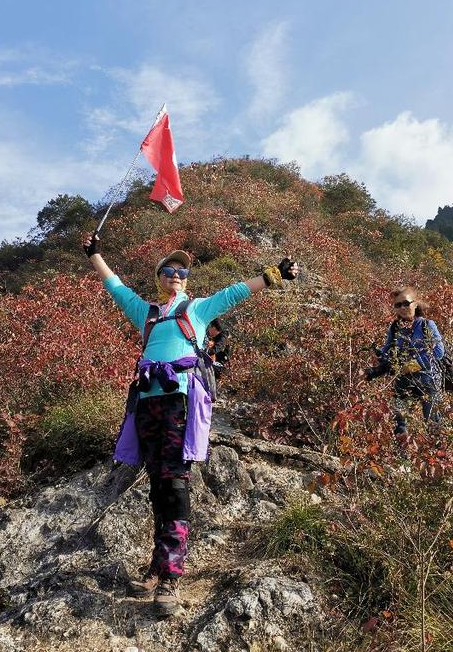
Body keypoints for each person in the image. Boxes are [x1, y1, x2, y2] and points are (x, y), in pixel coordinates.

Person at [82, 231, 298, 615]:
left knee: (175, 483)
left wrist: (274, 275)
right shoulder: (144, 311)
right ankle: (157, 563)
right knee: (156, 485)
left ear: (187, 279)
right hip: (147, 405)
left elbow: (234, 292)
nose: (176, 275)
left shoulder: (197, 309)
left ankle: (170, 576)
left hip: (181, 401)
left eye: (182, 270)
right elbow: (114, 285)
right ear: (159, 277)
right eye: (169, 270)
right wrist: (95, 253)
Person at [365, 286, 445, 439]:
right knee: (399, 422)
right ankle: (402, 456)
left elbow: (438, 352)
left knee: (434, 424)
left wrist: (411, 366)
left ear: (415, 304)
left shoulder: (427, 325)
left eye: (406, 303)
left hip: (428, 382)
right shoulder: (395, 328)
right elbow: (388, 354)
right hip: (403, 382)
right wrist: (375, 365)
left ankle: (438, 457)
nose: (402, 308)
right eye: (397, 305)